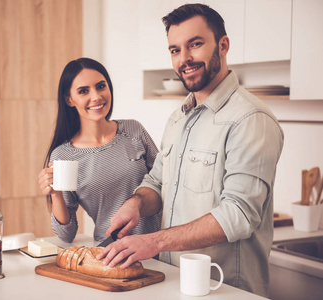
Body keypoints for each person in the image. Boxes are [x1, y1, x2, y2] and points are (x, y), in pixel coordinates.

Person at [97, 4, 284, 297]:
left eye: (195, 44)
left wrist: (153, 242)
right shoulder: (179, 118)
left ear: (223, 45)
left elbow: (239, 214)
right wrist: (136, 203)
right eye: (175, 50)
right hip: (172, 282)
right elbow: (157, 182)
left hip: (225, 290)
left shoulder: (251, 120)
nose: (184, 58)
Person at [38, 57, 161, 243]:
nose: (96, 96)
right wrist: (55, 194)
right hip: (112, 253)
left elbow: (165, 182)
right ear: (69, 99)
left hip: (158, 248)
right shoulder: (63, 156)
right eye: (83, 91)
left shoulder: (134, 131)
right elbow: (66, 234)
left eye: (101, 86)